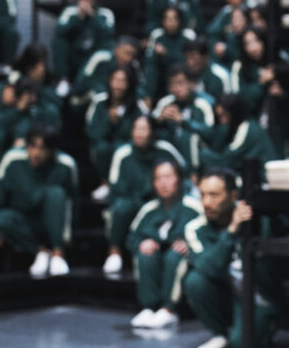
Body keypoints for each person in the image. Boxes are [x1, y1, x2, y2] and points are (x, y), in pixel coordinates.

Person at [183, 168, 280, 348]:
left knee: (241, 345)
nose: (206, 202)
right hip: (230, 294)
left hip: (260, 296)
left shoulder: (256, 218)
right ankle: (220, 334)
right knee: (196, 281)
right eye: (202, 195)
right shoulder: (195, 228)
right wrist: (232, 229)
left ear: (233, 196)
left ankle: (263, 324)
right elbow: (210, 268)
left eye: (214, 195)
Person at [0, 125, 78, 278]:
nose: (36, 153)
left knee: (56, 193)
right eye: (32, 146)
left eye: (42, 149)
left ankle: (58, 254)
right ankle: (41, 252)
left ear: (52, 150)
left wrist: (66, 238)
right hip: (22, 224)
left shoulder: (66, 165)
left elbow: (72, 205)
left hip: (50, 223)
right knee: (2, 218)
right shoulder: (12, 160)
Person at [103, 115, 186, 275]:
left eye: (144, 129)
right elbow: (115, 188)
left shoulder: (165, 149)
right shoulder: (122, 154)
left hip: (161, 202)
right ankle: (115, 251)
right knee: (121, 207)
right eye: (136, 129)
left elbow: (183, 172)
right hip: (133, 201)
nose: (140, 133)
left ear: (153, 132)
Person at [127, 159, 204, 329]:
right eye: (158, 178)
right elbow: (132, 237)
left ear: (179, 179)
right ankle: (149, 307)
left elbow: (205, 235)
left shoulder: (193, 207)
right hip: (157, 259)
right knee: (146, 253)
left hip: (185, 261)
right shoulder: (149, 209)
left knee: (175, 254)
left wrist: (189, 244)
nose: (163, 183)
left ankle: (169, 309)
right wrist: (143, 242)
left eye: (168, 177)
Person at [84, 65, 150, 202]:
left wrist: (121, 123)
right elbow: (91, 132)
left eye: (123, 81)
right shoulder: (99, 101)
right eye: (115, 80)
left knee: (121, 149)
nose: (118, 86)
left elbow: (141, 131)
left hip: (128, 146)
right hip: (103, 148)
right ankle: (105, 184)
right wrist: (109, 122)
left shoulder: (137, 105)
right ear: (109, 82)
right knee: (103, 148)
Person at [51, 0, 115, 98]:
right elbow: (60, 31)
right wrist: (78, 18)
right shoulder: (71, 11)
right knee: (59, 41)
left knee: (109, 46)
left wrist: (92, 16)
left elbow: (108, 34)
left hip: (92, 55)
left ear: (96, 0)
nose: (85, 1)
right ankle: (63, 80)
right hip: (73, 55)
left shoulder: (105, 14)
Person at [152, 65, 216, 174]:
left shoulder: (204, 103)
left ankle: (193, 175)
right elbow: (148, 123)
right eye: (172, 84)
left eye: (180, 83)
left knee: (189, 137)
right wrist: (159, 120)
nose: (176, 89)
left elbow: (211, 133)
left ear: (192, 84)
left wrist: (183, 121)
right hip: (174, 149)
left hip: (200, 152)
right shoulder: (166, 102)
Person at [198, 93, 278, 175]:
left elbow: (225, 162)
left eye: (225, 115)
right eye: (219, 116)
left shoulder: (246, 129)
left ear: (235, 113)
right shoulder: (239, 127)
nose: (222, 120)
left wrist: (198, 154)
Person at [71, 36, 141, 109]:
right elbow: (83, 84)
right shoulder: (101, 58)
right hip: (84, 99)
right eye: (127, 53)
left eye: (133, 55)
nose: (129, 58)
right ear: (117, 49)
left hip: (116, 102)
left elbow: (139, 85)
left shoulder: (133, 64)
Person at [144, 7, 197, 101]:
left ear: (180, 20)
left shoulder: (188, 35)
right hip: (162, 74)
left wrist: (166, 54)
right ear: (162, 21)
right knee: (151, 70)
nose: (171, 23)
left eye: (174, 19)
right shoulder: (157, 35)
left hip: (182, 73)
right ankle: (148, 98)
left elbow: (189, 61)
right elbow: (149, 61)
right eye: (167, 19)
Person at [229, 26, 283, 119]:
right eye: (247, 44)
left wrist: (281, 94)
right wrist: (261, 83)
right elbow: (242, 100)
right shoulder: (240, 67)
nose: (253, 48)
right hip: (254, 121)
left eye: (256, 41)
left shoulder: (278, 62)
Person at [205, 0, 250, 64]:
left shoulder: (251, 9)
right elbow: (212, 31)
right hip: (229, 53)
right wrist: (217, 44)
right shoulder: (226, 11)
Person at [184, 37, 231, 102]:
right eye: (187, 58)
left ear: (205, 57)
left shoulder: (220, 75)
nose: (189, 63)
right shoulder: (185, 74)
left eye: (193, 58)